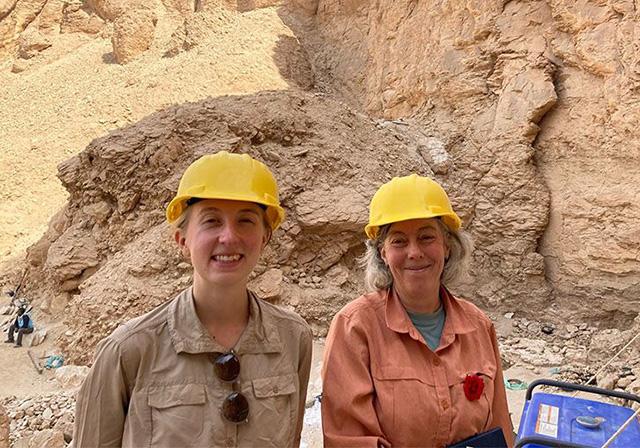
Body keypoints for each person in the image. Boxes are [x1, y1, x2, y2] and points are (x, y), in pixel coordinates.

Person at [73, 151, 313, 447]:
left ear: (265, 237)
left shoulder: (293, 338)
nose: (228, 237)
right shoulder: (128, 350)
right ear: (182, 240)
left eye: (246, 221)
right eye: (211, 221)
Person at [321, 174, 514, 447]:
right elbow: (348, 439)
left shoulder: (479, 326)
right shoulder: (355, 327)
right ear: (382, 254)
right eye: (399, 241)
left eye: (426, 237)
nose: (414, 252)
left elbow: (498, 427)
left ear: (447, 246)